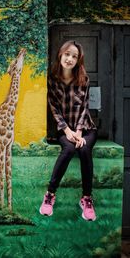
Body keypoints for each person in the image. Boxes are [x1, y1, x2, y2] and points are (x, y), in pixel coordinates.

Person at [40, 40, 97, 221]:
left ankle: (86, 199)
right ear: (60, 54)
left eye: (74, 56)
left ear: (78, 60)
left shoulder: (83, 80)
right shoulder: (51, 80)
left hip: (85, 128)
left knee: (84, 148)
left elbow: (85, 108)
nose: (70, 59)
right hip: (64, 129)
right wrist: (67, 131)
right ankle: (49, 195)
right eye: (67, 54)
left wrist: (79, 132)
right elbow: (53, 108)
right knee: (69, 149)